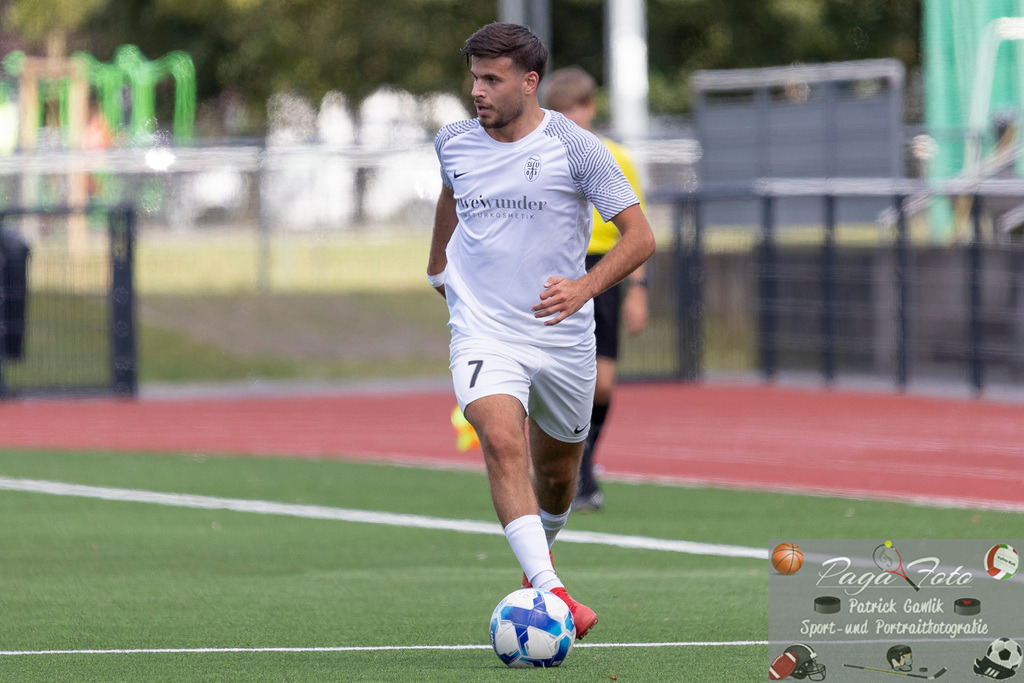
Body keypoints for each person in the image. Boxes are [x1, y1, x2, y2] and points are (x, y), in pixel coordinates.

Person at [426, 22, 655, 640]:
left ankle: (538, 569)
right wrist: (436, 266)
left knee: (557, 477)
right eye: (474, 77)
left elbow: (641, 237)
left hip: (562, 334)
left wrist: (584, 288)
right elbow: (450, 194)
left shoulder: (577, 147)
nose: (478, 90)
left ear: (530, 84)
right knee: (501, 439)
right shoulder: (453, 140)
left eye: (492, 79)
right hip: (482, 328)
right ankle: (555, 593)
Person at [540, 66, 650, 512]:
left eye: (574, 110)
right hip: (556, 272)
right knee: (552, 378)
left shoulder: (612, 157)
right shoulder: (541, 155)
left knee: (602, 384)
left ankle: (583, 462)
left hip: (602, 273)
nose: (567, 119)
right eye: (558, 111)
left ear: (589, 109)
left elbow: (636, 230)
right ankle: (573, 473)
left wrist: (639, 288)